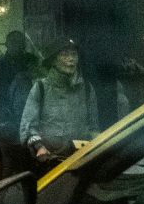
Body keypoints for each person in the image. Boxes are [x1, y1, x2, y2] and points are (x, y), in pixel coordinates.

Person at [20, 39, 99, 173]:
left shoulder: (87, 88)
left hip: (82, 162)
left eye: (74, 55)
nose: (71, 59)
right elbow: (28, 126)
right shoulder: (40, 88)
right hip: (49, 162)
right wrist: (39, 147)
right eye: (65, 55)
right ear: (53, 61)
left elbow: (94, 127)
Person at [0, 31, 41, 142]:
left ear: (24, 45)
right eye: (13, 42)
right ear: (7, 44)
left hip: (31, 117)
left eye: (20, 42)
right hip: (5, 118)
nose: (17, 45)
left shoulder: (32, 62)